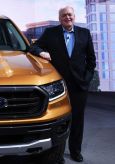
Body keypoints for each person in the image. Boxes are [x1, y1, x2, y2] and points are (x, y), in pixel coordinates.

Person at [29, 6, 96, 163]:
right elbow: (33, 47)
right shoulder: (50, 33)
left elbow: (91, 60)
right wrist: (42, 53)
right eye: (64, 15)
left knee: (77, 120)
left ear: (74, 16)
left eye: (70, 15)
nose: (68, 17)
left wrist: (86, 79)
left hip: (79, 85)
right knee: (59, 119)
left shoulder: (84, 33)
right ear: (60, 18)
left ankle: (75, 151)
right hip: (57, 87)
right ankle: (57, 154)